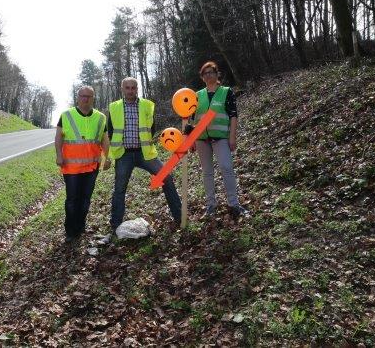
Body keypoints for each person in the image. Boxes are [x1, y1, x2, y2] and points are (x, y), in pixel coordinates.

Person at [108, 77, 182, 232]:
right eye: (127, 88)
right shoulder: (114, 107)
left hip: (145, 153)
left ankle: (179, 216)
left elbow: (152, 128)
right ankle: (115, 225)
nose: (130, 91)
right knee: (119, 189)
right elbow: (110, 131)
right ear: (122, 89)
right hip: (123, 155)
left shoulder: (147, 105)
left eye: (133, 88)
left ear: (137, 89)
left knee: (166, 177)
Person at [189, 61, 249, 219]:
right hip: (202, 140)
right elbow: (193, 120)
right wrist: (192, 140)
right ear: (202, 77)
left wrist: (232, 137)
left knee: (226, 168)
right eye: (205, 73)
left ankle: (234, 204)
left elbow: (233, 115)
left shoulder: (226, 92)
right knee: (207, 173)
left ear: (217, 74)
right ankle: (210, 206)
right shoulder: (197, 96)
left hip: (221, 138)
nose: (209, 75)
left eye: (211, 72)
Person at [55, 86, 110, 243]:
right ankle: (70, 231)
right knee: (72, 199)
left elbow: (104, 139)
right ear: (78, 97)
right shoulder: (66, 115)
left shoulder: (100, 118)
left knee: (85, 199)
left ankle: (80, 226)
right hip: (71, 167)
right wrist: (59, 155)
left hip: (92, 167)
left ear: (93, 98)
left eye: (89, 96)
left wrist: (108, 157)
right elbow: (58, 137)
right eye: (83, 96)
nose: (85, 98)